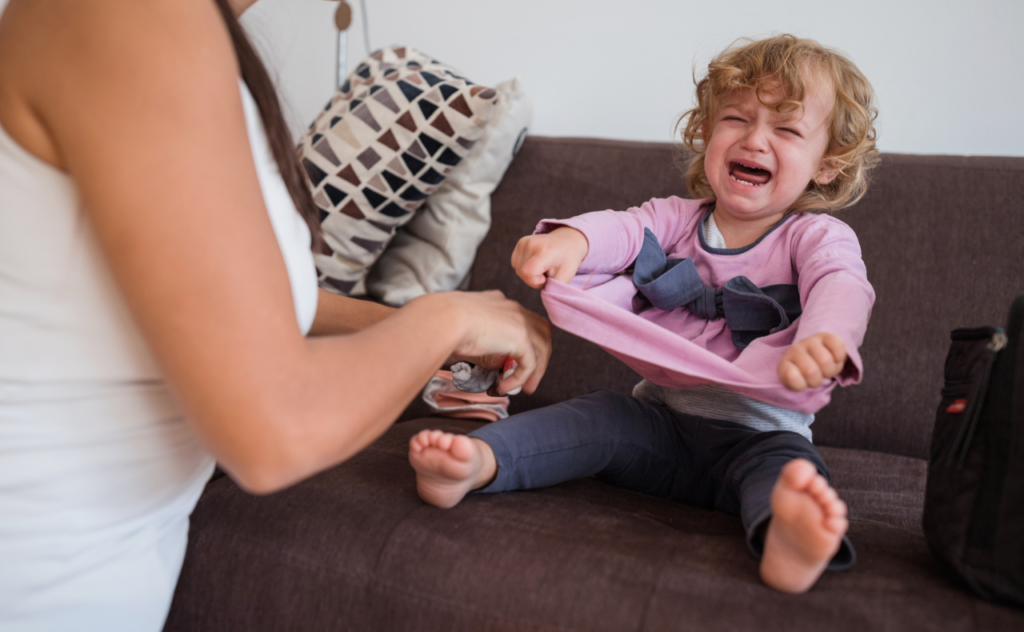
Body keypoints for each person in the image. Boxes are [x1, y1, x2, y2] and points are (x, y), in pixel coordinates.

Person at [0, 0, 550, 629]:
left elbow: (248, 302)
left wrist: (426, 327)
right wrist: (445, 321)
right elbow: (274, 430)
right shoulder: (132, 16)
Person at [408, 34, 879, 594]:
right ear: (706, 130)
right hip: (659, 429)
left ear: (826, 166)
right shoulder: (679, 218)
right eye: (735, 118)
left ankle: (785, 539)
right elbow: (625, 231)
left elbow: (842, 283)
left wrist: (826, 337)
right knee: (600, 415)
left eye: (786, 128)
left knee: (790, 474)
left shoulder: (817, 235)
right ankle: (478, 464)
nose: (755, 139)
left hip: (758, 437)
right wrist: (573, 242)